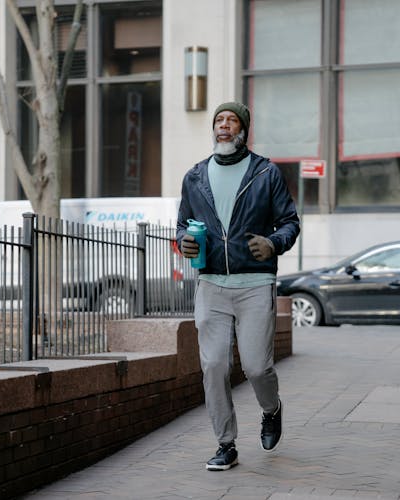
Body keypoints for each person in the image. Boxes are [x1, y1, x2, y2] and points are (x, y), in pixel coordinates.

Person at [176, 101, 300, 471]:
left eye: (231, 120)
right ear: (213, 129)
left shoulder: (265, 173)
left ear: (243, 129)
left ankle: (271, 409)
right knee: (213, 365)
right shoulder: (195, 176)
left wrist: (273, 243)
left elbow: (289, 222)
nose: (224, 125)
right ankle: (225, 443)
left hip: (255, 283)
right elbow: (183, 224)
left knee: (257, 367)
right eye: (219, 120)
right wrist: (184, 240)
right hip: (211, 282)